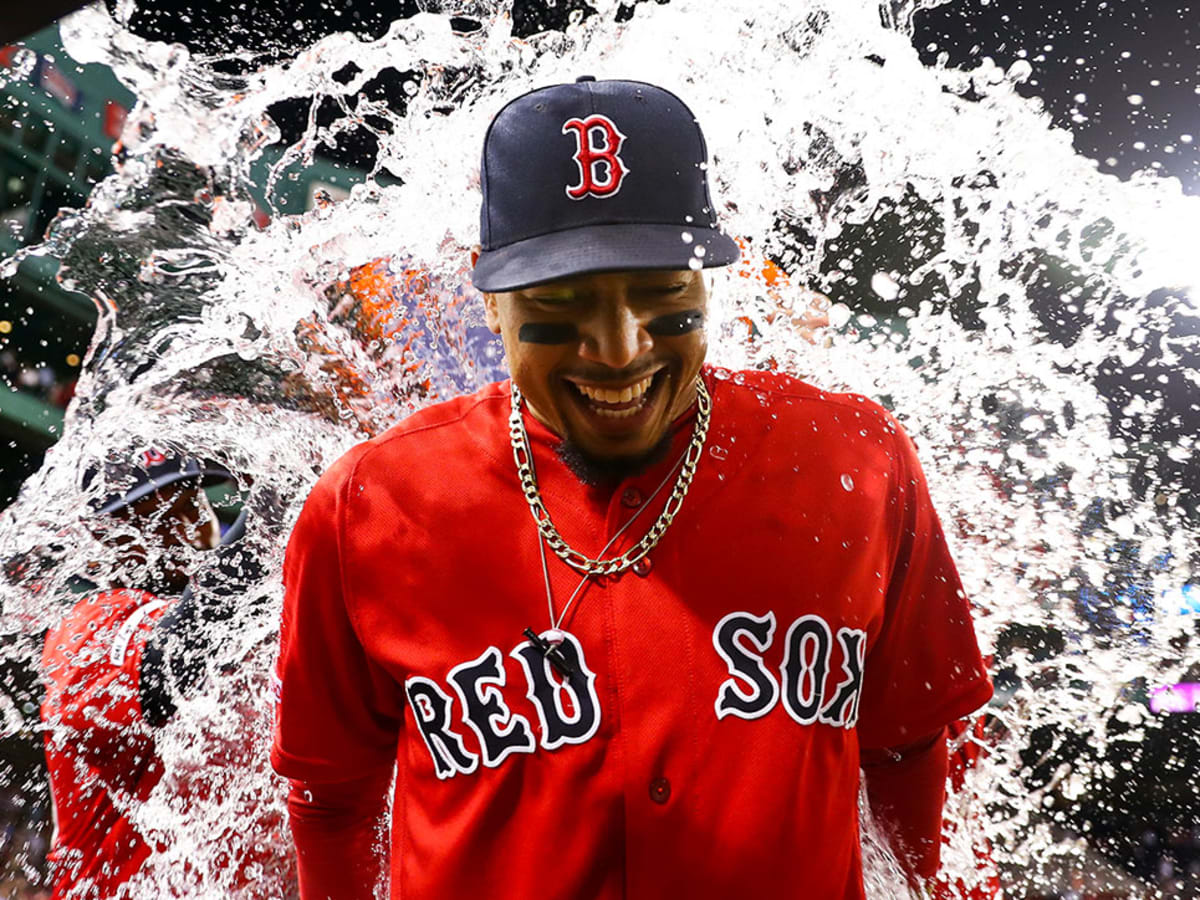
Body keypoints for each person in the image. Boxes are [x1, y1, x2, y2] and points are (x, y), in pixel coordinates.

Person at [273, 77, 993, 899]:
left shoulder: (856, 461)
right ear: (490, 297)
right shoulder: (369, 503)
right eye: (560, 300)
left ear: (707, 283)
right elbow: (331, 800)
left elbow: (913, 746)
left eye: (661, 294)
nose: (619, 351)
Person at [40, 445, 280, 899]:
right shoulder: (83, 631)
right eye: (158, 518)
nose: (188, 529)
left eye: (193, 505)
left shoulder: (253, 623)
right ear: (103, 542)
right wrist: (279, 505)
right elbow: (173, 661)